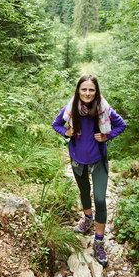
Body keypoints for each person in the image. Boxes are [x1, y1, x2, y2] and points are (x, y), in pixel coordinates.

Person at [52, 74, 126, 267]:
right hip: (77, 158)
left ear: (96, 91)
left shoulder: (103, 108)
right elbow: (56, 124)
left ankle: (99, 242)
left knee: (100, 199)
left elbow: (121, 125)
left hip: (98, 159)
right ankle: (87, 221)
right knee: (84, 191)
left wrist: (106, 136)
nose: (87, 93)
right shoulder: (71, 108)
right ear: (78, 90)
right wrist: (66, 132)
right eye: (83, 89)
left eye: (91, 90)